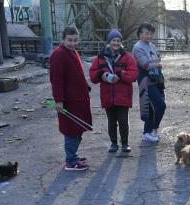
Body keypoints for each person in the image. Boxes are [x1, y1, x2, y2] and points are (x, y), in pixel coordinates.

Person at [49, 26, 92, 171]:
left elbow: (77, 73)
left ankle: (72, 155)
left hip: (79, 99)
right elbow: (56, 80)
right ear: (63, 39)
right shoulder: (59, 54)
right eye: (70, 40)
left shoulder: (72, 52)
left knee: (78, 129)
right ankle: (71, 161)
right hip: (69, 101)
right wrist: (59, 100)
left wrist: (85, 86)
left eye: (75, 40)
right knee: (71, 130)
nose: (73, 43)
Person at [89, 30, 139, 153]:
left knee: (123, 121)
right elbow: (93, 75)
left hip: (123, 96)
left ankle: (125, 144)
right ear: (109, 42)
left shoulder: (127, 57)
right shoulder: (100, 58)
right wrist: (102, 75)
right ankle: (113, 143)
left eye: (118, 40)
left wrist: (121, 74)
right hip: (108, 96)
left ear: (121, 42)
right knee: (111, 122)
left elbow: (134, 74)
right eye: (113, 40)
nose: (116, 43)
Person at [132, 23, 166, 143]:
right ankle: (152, 130)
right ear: (140, 34)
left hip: (157, 79)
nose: (149, 35)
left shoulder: (152, 45)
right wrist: (156, 64)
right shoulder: (137, 48)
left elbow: (158, 58)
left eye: (151, 33)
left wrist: (156, 63)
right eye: (146, 33)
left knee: (152, 107)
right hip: (146, 80)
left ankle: (147, 133)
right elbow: (146, 65)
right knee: (160, 105)